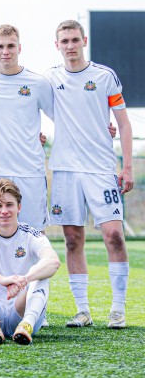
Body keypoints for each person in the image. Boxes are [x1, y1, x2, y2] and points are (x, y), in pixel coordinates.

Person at [43, 19, 134, 329]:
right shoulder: (50, 78)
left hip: (101, 168)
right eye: (64, 41)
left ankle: (118, 309)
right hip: (65, 170)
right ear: (57, 45)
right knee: (72, 239)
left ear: (84, 40)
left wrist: (127, 166)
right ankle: (82, 311)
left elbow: (123, 124)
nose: (70, 45)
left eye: (74, 39)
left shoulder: (105, 76)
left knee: (114, 236)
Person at [0, 25, 55, 230]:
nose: (5, 51)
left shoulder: (38, 83)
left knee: (35, 233)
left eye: (11, 46)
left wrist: (99, 127)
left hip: (30, 171)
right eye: (0, 46)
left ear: (20, 48)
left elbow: (61, 118)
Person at [0, 179, 60, 345]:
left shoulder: (31, 233)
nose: (4, 211)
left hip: (21, 311)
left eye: (9, 205)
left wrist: (25, 279)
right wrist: (1, 279)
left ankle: (26, 325)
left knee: (41, 273)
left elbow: (53, 261)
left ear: (19, 207)